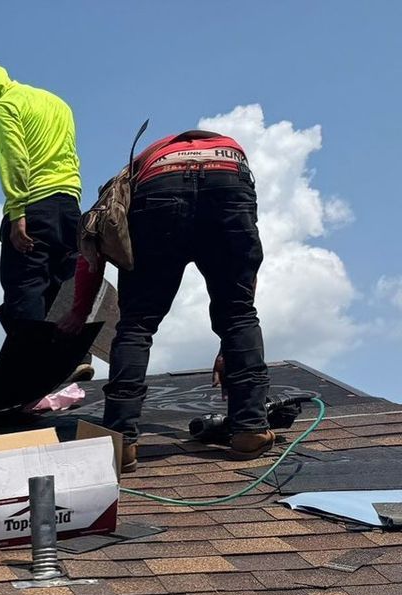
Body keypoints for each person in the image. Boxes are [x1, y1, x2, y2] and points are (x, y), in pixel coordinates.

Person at [64, 129, 274, 458]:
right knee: (238, 314)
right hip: (228, 178)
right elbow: (243, 290)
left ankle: (121, 441)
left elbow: (91, 255)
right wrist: (228, 349)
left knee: (136, 323)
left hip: (158, 187)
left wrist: (79, 311)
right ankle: (249, 428)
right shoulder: (219, 151)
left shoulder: (129, 178)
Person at [0, 63, 83, 339]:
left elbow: (14, 160)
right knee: (64, 285)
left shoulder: (4, 106)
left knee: (25, 286)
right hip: (69, 206)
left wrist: (17, 212)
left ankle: (30, 364)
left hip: (33, 206)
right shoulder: (58, 103)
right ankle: (72, 358)